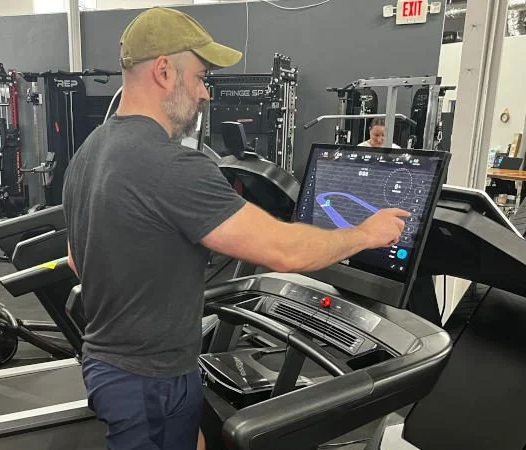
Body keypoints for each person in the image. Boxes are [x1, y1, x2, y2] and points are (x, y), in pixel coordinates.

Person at [62, 7, 410, 450]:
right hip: (150, 382)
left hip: (115, 368)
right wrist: (367, 234)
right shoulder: (170, 165)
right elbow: (286, 251)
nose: (205, 93)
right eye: (200, 77)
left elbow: (77, 259)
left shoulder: (91, 150)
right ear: (164, 72)